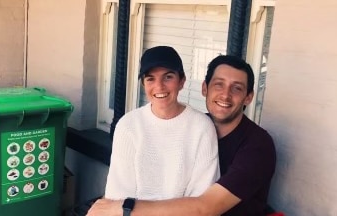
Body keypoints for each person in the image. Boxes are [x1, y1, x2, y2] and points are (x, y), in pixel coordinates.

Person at [87, 55, 276, 216]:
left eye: (237, 88)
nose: (225, 95)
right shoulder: (195, 126)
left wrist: (125, 208)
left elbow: (206, 208)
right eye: (219, 85)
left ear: (249, 97)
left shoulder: (258, 146)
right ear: (205, 88)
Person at [104, 46, 220, 202]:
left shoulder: (202, 127)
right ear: (144, 84)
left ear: (182, 81)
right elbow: (118, 194)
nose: (159, 86)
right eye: (150, 78)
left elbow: (201, 198)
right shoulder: (128, 125)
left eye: (168, 77)